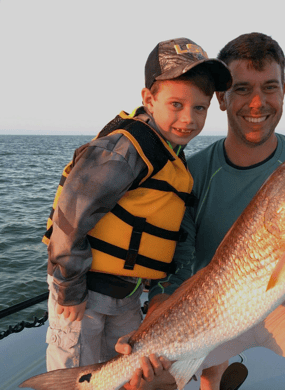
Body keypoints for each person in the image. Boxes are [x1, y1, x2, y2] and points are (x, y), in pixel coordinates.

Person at [116, 33, 285, 390]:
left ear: (284, 92)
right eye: (242, 89)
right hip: (211, 314)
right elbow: (176, 270)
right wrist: (152, 332)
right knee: (145, 383)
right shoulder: (190, 175)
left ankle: (217, 375)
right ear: (222, 99)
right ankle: (214, 372)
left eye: (269, 87)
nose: (257, 103)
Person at [43, 37, 232, 371]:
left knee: (123, 372)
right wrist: (69, 287)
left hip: (129, 297)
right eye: (176, 104)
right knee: (76, 375)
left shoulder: (175, 159)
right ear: (149, 99)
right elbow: (70, 216)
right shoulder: (126, 149)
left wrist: (159, 288)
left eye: (199, 108)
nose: (188, 119)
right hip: (84, 292)